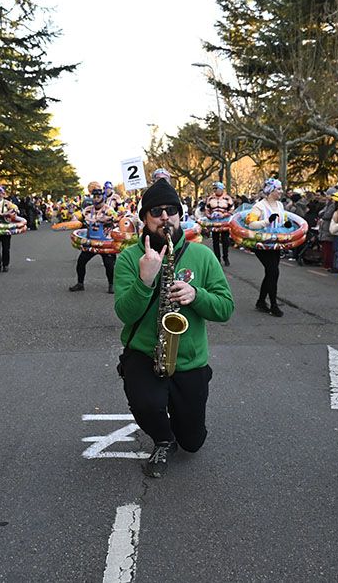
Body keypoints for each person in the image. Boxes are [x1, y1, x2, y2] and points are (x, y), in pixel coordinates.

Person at [113, 178, 233, 478]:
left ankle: (187, 406)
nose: (164, 217)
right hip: (144, 352)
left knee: (193, 441)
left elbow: (226, 308)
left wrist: (197, 295)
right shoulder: (129, 258)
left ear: (181, 215)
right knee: (146, 402)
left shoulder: (202, 255)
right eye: (156, 211)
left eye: (171, 210)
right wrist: (145, 280)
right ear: (145, 219)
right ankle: (163, 438)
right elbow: (125, 314)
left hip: (188, 356)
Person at [247, 178, 289, 317]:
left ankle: (261, 301)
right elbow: (251, 223)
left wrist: (286, 225)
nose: (281, 191)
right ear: (271, 191)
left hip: (275, 244)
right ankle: (274, 305)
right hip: (262, 245)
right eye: (278, 189)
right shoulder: (259, 206)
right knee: (273, 271)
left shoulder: (280, 205)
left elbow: (284, 219)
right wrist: (266, 221)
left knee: (270, 272)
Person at [69, 182, 117, 293]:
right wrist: (74, 219)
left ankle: (111, 285)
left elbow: (116, 217)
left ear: (103, 198)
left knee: (109, 265)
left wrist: (104, 219)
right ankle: (80, 284)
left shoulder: (109, 210)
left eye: (98, 197)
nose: (95, 199)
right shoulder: (88, 209)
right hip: (91, 242)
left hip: (106, 243)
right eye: (94, 197)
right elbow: (78, 216)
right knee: (81, 262)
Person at [205, 181, 235, 266]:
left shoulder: (227, 198)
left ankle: (225, 257)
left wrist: (224, 214)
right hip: (214, 222)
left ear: (221, 189)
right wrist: (209, 215)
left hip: (224, 221)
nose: (215, 190)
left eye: (216, 188)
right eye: (214, 189)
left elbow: (232, 209)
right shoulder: (210, 198)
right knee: (215, 240)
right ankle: (217, 258)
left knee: (225, 240)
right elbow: (207, 209)